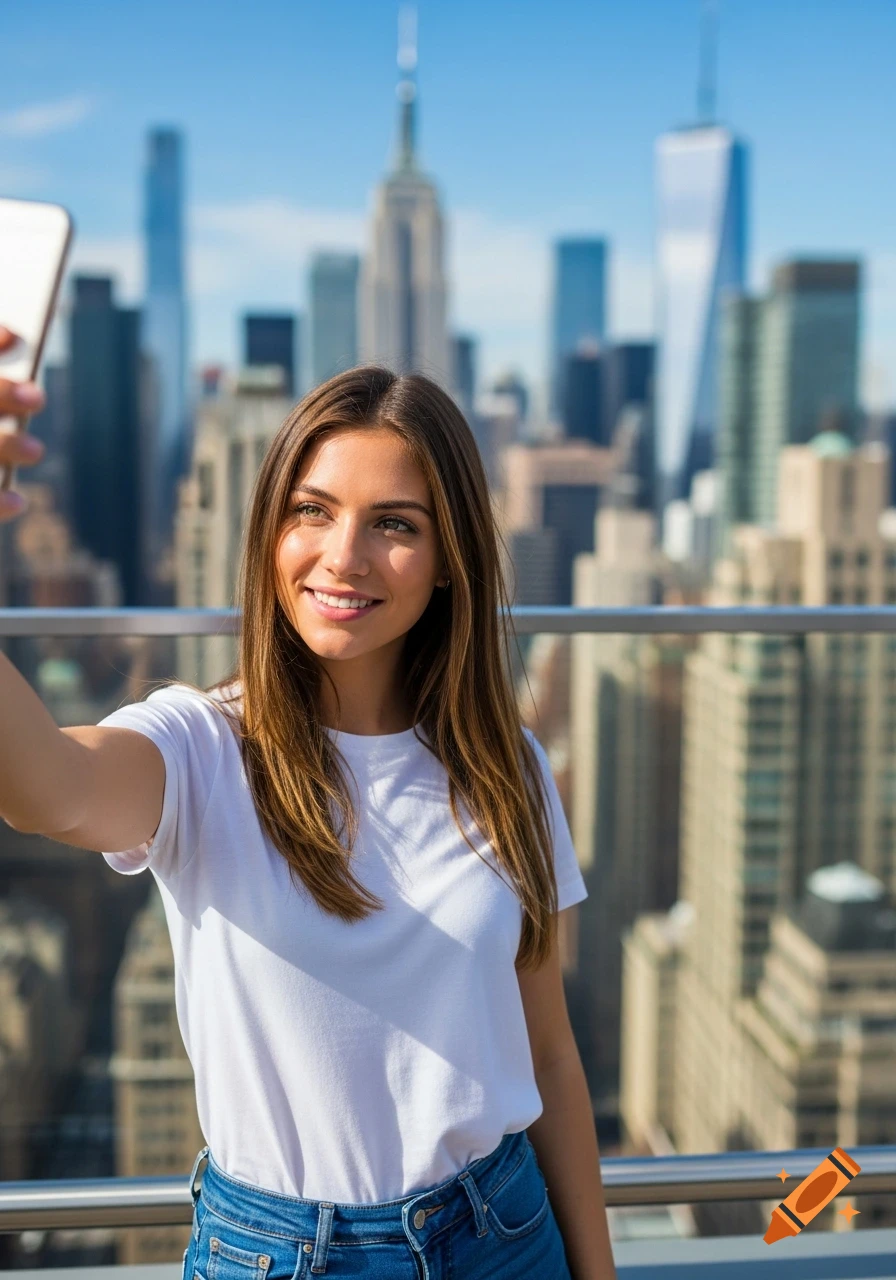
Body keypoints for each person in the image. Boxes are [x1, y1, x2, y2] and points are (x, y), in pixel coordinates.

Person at [0, 323, 617, 1280]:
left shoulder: (510, 765)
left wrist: (599, 1274)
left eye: (396, 524)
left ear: (451, 557)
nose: (344, 556)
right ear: (270, 534)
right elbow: (46, 790)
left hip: (503, 1232)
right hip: (281, 1255)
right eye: (312, 511)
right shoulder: (199, 747)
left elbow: (550, 1056)